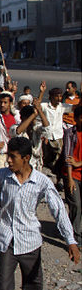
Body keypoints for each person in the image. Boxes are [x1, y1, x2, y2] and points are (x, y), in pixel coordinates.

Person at [0, 137, 80, 290]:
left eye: (12, 156)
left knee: (33, 287)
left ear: (26, 158)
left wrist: (70, 240)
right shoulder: (3, 175)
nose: (8, 160)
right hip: (6, 239)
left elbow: (58, 209)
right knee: (3, 287)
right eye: (8, 155)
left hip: (30, 241)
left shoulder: (41, 182)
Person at [63, 105, 82, 247]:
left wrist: (78, 163)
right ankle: (75, 236)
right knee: (75, 204)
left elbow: (74, 161)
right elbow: (68, 158)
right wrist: (69, 178)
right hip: (72, 175)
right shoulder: (70, 133)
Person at [0, 93, 19, 171]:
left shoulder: (16, 118)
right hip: (0, 153)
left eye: (5, 102)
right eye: (0, 102)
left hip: (13, 152)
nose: (2, 105)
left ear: (10, 103)